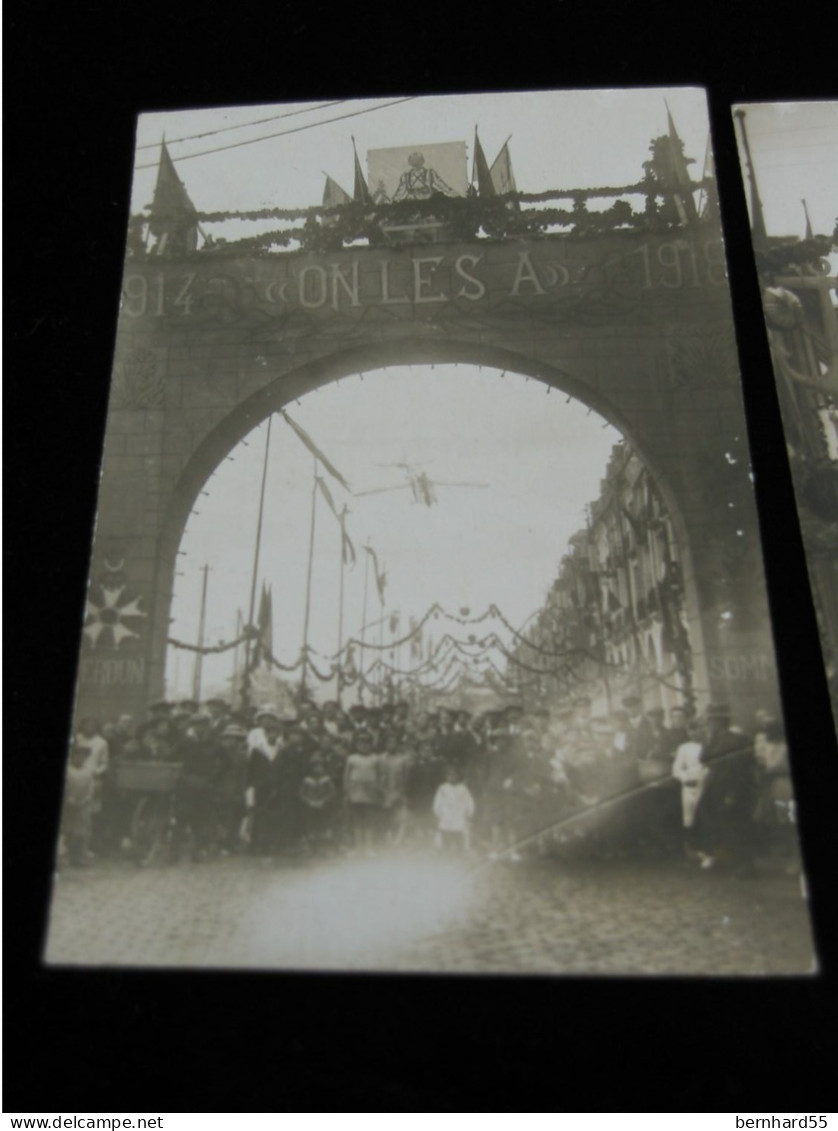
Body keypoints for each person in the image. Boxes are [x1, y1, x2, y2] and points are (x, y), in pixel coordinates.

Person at [693, 703, 758, 876]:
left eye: (710, 722)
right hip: (716, 788)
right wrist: (707, 740)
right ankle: (732, 862)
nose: (708, 725)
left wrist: (732, 793)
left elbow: (740, 770)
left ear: (719, 722)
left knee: (736, 827)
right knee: (721, 826)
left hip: (731, 789)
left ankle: (745, 866)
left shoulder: (736, 740)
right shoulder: (714, 740)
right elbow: (703, 759)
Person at [671, 719, 709, 860]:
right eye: (691, 730)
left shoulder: (709, 744)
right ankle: (694, 848)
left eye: (697, 729)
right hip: (689, 786)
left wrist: (705, 778)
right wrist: (685, 778)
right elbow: (676, 769)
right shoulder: (684, 748)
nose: (694, 733)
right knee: (690, 817)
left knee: (706, 816)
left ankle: (709, 850)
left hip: (707, 785)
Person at [343, 731, 382, 856]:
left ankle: (368, 847)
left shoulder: (376, 758)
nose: (364, 746)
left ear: (371, 744)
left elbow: (380, 775)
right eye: (360, 743)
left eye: (367, 743)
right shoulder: (352, 758)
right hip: (356, 794)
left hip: (370, 794)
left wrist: (378, 790)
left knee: (369, 821)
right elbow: (346, 776)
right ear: (356, 745)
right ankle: (358, 847)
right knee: (357, 821)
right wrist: (347, 791)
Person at [299, 756, 338, 854]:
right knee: (311, 826)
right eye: (315, 767)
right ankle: (312, 848)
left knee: (324, 826)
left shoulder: (327, 779)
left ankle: (324, 848)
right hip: (310, 807)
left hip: (324, 807)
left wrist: (324, 801)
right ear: (311, 768)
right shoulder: (307, 780)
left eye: (320, 766)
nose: (317, 769)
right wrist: (309, 801)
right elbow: (302, 794)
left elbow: (332, 793)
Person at [432, 765, 475, 854]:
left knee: (459, 831)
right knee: (444, 832)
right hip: (446, 814)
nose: (452, 777)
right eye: (450, 775)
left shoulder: (463, 788)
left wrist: (469, 813)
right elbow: (437, 802)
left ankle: (460, 850)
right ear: (446, 777)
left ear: (458, 776)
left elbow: (469, 802)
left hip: (459, 814)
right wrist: (437, 813)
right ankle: (443, 850)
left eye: (454, 775)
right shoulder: (443, 788)